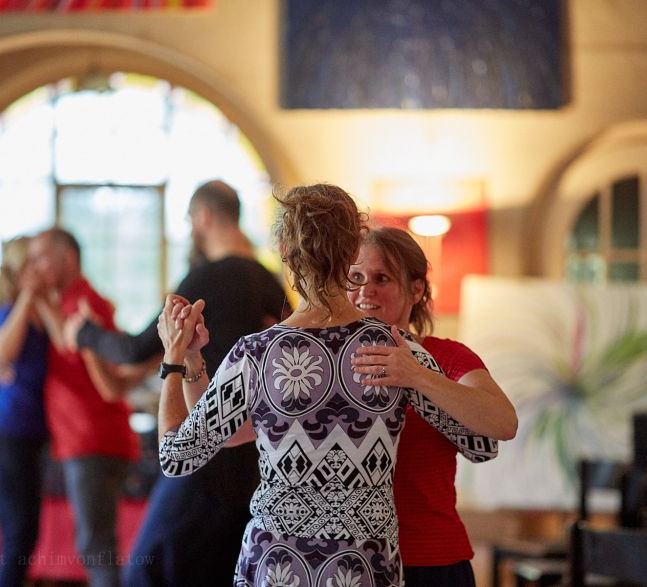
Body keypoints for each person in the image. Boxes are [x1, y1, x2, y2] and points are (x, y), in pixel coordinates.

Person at [156, 183, 500, 586]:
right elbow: (481, 444)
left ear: (284, 251)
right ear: (352, 251)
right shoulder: (395, 349)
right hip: (364, 569)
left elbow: (176, 457)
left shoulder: (255, 355)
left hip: (277, 567)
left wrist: (175, 358)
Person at [64, 179, 290, 585]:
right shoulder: (271, 283)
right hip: (255, 462)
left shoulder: (211, 277)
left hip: (206, 457)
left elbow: (136, 349)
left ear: (203, 217)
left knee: (144, 574)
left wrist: (85, 333)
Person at [347, 226, 518, 586]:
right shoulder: (324, 363)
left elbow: (504, 423)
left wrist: (417, 375)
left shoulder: (446, 355)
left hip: (432, 561)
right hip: (350, 563)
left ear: (416, 290)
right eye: (356, 277)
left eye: (382, 278)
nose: (366, 290)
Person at [27, 227, 140, 587]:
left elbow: (70, 342)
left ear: (68, 258)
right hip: (84, 439)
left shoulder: (86, 301)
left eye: (41, 258)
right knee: (95, 543)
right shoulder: (68, 300)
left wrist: (36, 297)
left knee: (96, 545)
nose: (35, 267)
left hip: (93, 439)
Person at [0, 235, 49, 587]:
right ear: (21, 272)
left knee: (26, 534)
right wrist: (28, 296)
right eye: (35, 261)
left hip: (27, 436)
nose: (43, 267)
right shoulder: (12, 311)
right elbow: (1, 355)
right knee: (19, 534)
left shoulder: (45, 309)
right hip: (4, 434)